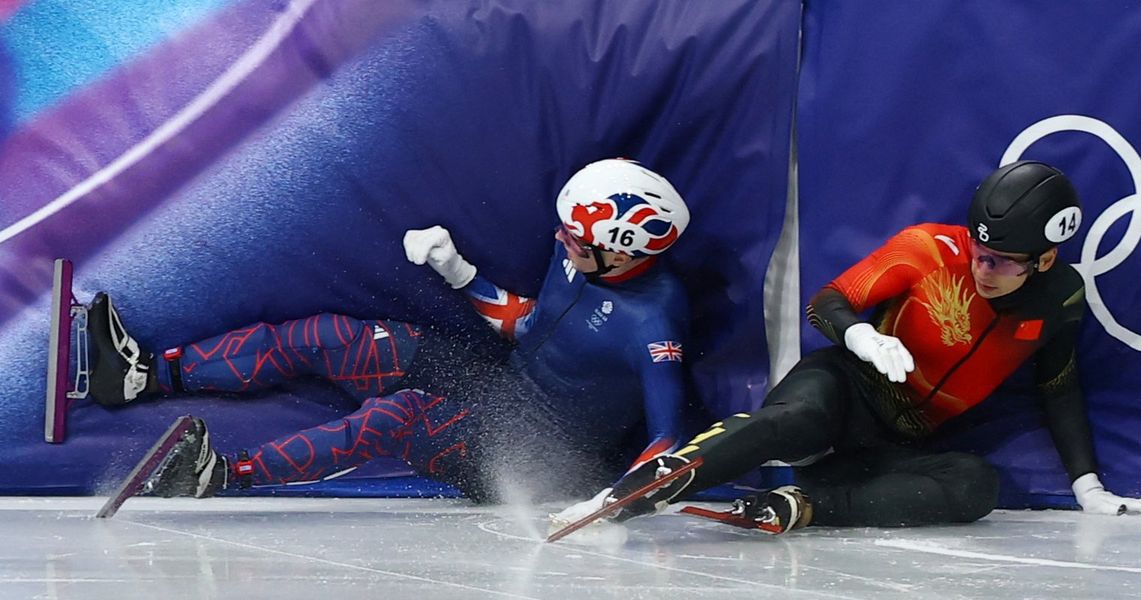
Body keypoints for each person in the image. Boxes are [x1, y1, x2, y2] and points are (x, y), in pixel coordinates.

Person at [595, 160, 1141, 533]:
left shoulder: (1062, 298)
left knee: (977, 486)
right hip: (847, 387)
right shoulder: (930, 249)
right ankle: (656, 482)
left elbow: (1058, 385)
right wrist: (862, 335)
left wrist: (1087, 486)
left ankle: (807, 505)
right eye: (979, 253)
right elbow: (827, 300)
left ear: (1044, 259)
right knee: (797, 418)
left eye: (1002, 262)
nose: (983, 270)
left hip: (895, 442)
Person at [86, 158, 693, 503]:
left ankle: (216, 474)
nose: (560, 239)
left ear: (624, 252)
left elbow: (669, 438)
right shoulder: (577, 257)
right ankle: (142, 374)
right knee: (334, 337)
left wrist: (611, 502)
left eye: (576, 238)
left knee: (393, 418)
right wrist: (461, 274)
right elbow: (531, 328)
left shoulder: (655, 322)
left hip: (536, 453)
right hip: (500, 388)